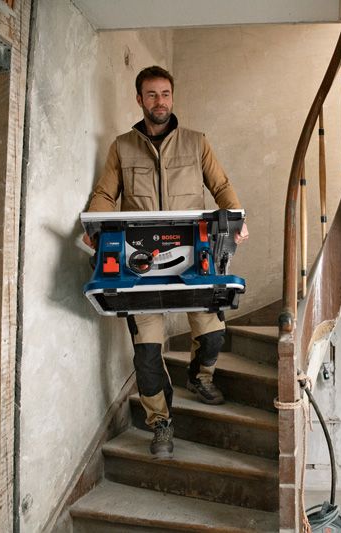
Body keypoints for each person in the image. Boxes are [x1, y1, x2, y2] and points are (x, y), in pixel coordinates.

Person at [84, 65, 249, 458]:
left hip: (195, 257)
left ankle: (199, 375)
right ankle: (160, 423)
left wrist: (237, 221)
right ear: (139, 100)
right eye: (152, 95)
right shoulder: (122, 148)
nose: (160, 101)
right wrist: (93, 226)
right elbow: (105, 194)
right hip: (140, 267)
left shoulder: (197, 143)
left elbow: (221, 186)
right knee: (146, 355)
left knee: (211, 335)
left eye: (166, 94)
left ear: (173, 97)